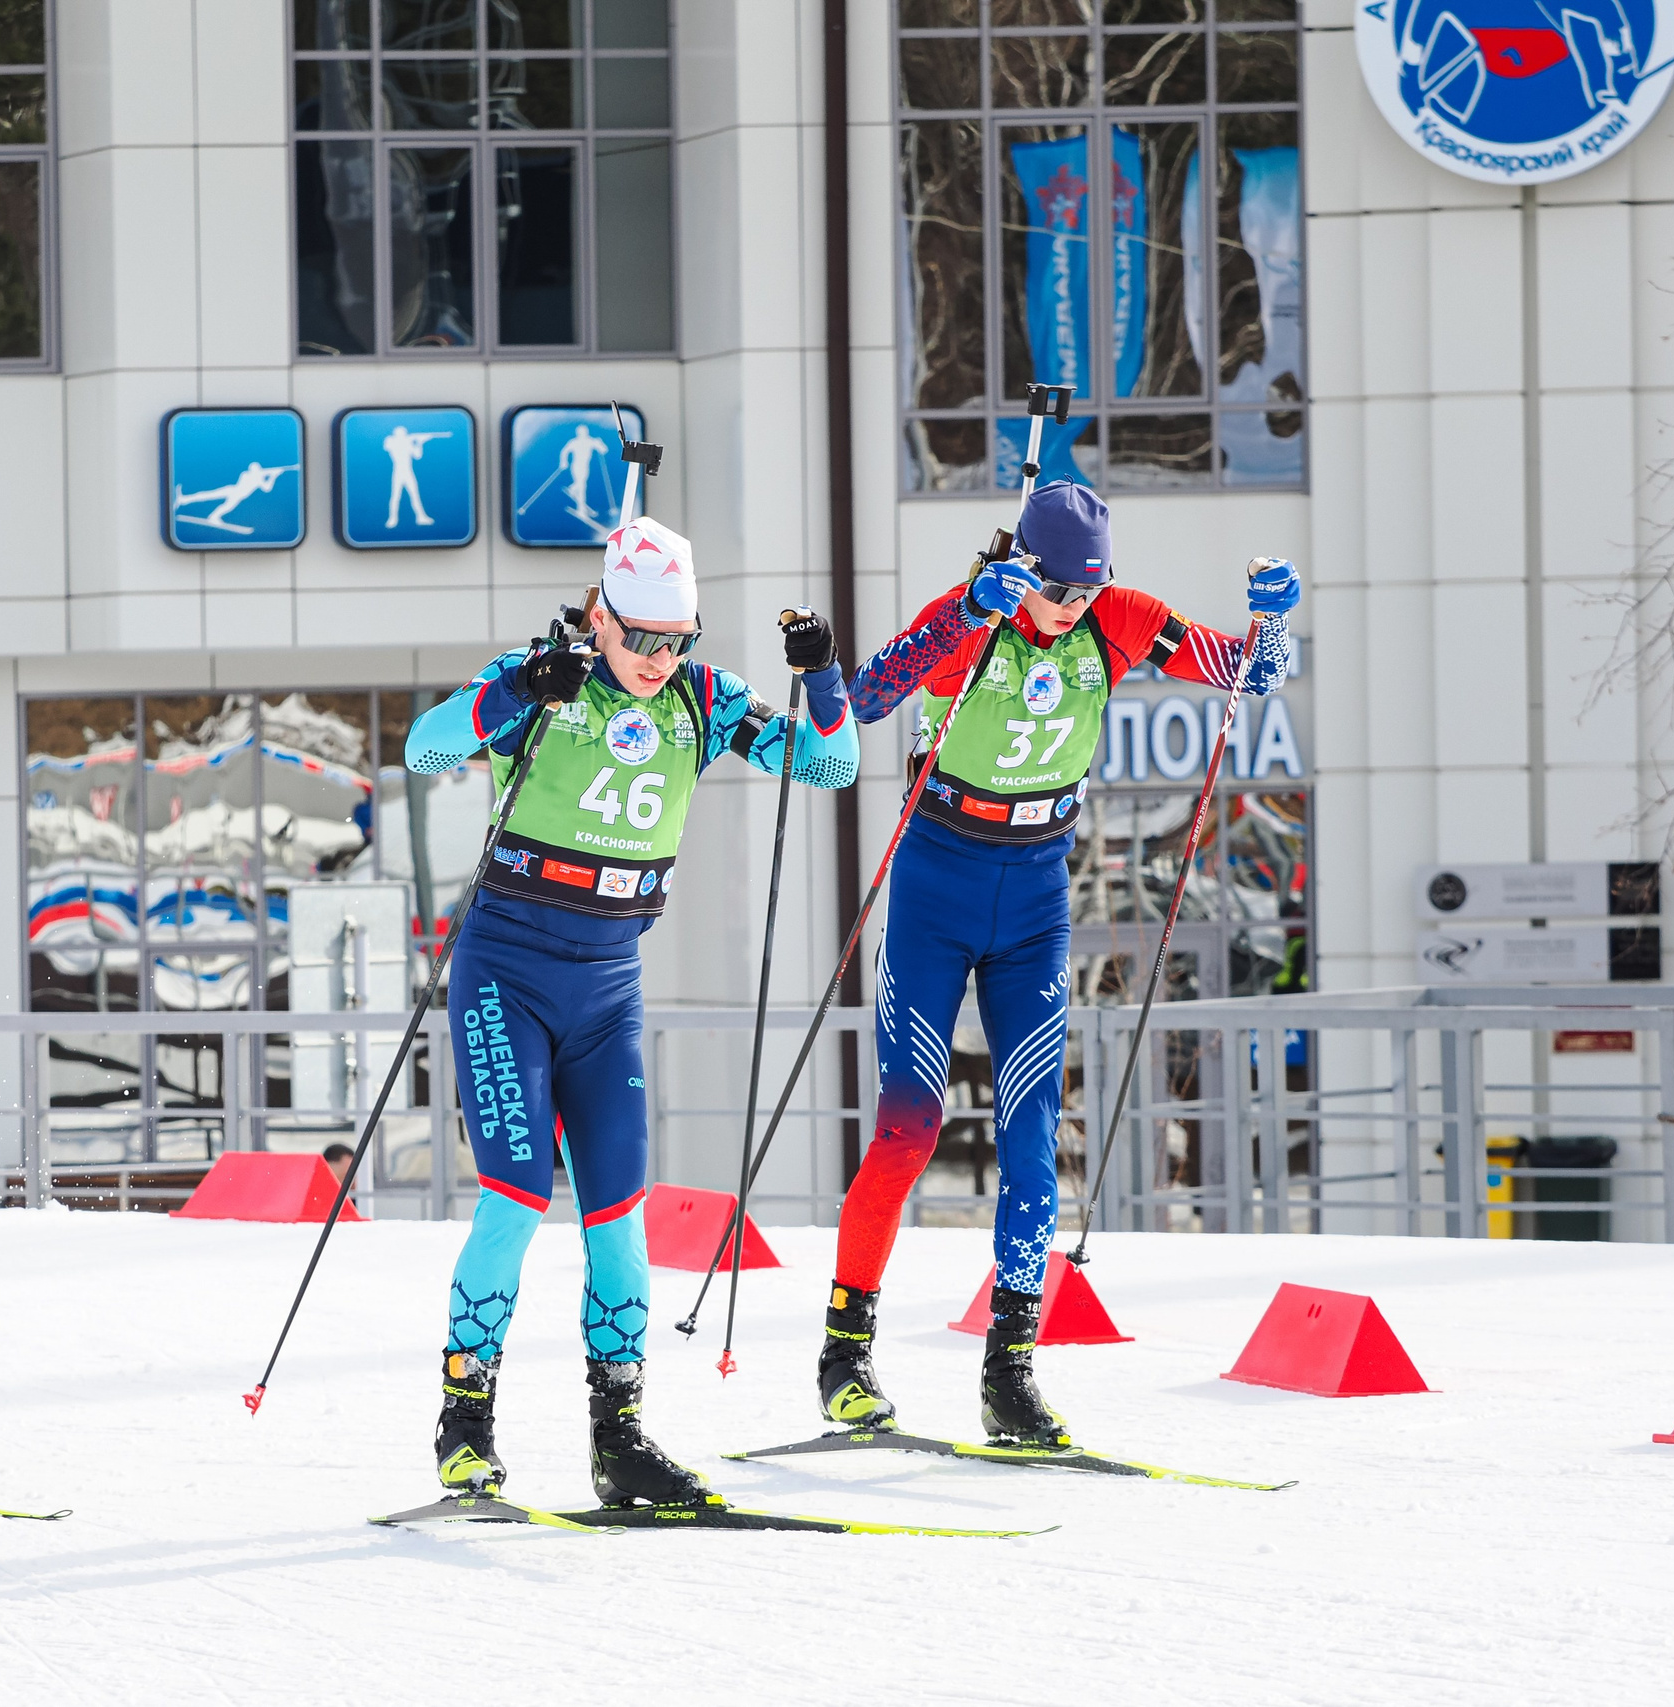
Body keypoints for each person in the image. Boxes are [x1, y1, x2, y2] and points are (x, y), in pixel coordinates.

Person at [815, 483, 1297, 1448]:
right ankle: (845, 1348)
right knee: (911, 1121)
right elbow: (863, 698)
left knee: (1033, 1129)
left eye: (1089, 589)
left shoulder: (1115, 617)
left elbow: (1248, 678)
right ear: (1023, 567)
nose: (1074, 607)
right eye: (1057, 589)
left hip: (1035, 892)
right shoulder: (976, 612)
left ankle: (1011, 1371)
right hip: (936, 882)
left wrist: (1273, 625)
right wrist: (966, 613)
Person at [405, 516, 859, 1506]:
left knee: (618, 1218)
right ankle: (464, 1426)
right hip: (505, 972)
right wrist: (516, 690)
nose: (658, 659)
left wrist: (823, 677)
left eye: (676, 639)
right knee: (516, 1196)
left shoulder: (701, 696)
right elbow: (421, 748)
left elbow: (829, 768)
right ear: (597, 618)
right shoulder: (544, 677)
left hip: (607, 985)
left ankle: (620, 1440)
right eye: (641, 638)